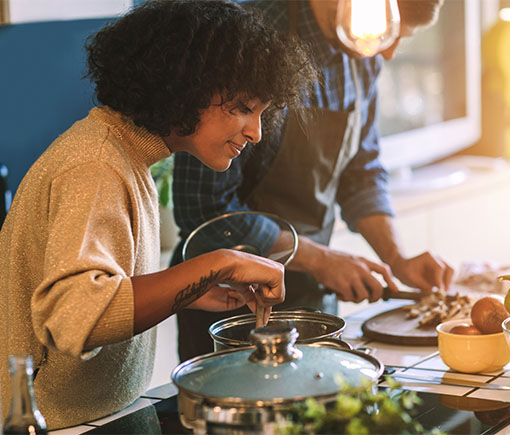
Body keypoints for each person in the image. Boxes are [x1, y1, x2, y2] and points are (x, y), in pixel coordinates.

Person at [0, 0, 317, 429]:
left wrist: (186, 290)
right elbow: (75, 317)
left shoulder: (126, 155)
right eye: (242, 108)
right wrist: (220, 261)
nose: (256, 132)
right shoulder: (95, 164)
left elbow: (109, 288)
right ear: (186, 85)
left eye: (262, 113)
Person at [172, 0, 455, 361]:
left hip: (311, 298)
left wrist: (398, 259)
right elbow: (207, 211)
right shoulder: (245, 38)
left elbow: (360, 172)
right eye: (390, 30)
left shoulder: (363, 54)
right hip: (229, 306)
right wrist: (320, 260)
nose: (390, 51)